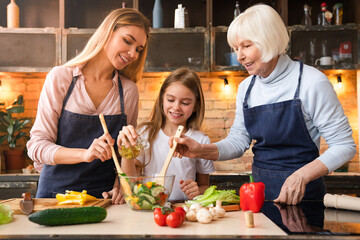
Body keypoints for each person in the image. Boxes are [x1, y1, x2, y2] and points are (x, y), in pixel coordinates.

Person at [171, 4, 356, 205]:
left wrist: (301, 175)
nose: (239, 56)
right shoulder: (246, 88)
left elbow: (344, 146)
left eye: (246, 46)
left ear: (269, 39)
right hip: (259, 196)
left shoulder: (312, 82)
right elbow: (238, 141)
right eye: (236, 48)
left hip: (303, 198)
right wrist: (200, 150)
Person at [26, 8, 150, 203]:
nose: (133, 53)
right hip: (55, 196)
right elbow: (37, 146)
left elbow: (126, 152)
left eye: (139, 49)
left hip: (104, 200)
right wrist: (86, 154)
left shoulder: (128, 91)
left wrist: (120, 184)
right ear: (108, 33)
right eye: (127, 41)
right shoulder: (61, 78)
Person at [118, 67, 214, 201]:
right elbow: (130, 180)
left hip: (183, 209)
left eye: (185, 102)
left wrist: (198, 190)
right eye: (170, 100)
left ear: (196, 105)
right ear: (162, 99)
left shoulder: (201, 141)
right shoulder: (145, 133)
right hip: (149, 207)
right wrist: (126, 150)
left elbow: (205, 186)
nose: (176, 107)